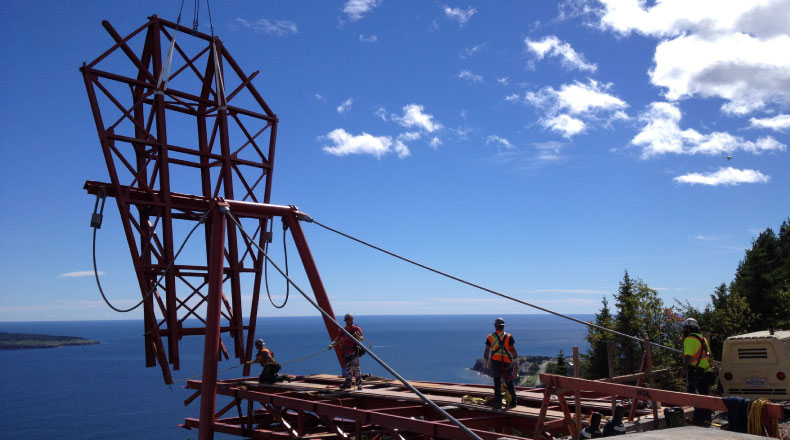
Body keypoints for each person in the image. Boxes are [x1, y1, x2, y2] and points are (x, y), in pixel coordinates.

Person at [682, 318, 713, 425]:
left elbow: (688, 357)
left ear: (689, 328)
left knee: (695, 395)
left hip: (695, 372)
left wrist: (684, 369)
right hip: (706, 370)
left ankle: (698, 420)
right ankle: (707, 418)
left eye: (685, 327)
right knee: (704, 395)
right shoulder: (703, 339)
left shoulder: (689, 339)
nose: (684, 330)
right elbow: (709, 355)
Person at [483, 317, 518, 409]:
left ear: (495, 326)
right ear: (503, 326)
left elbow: (487, 351)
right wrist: (516, 365)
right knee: (509, 382)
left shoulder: (490, 337)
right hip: (506, 362)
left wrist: (485, 362)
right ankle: (513, 402)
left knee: (497, 382)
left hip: (495, 362)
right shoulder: (509, 337)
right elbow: (513, 351)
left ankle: (498, 403)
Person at [329, 313, 364, 390]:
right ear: (346, 321)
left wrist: (358, 336)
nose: (350, 321)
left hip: (354, 351)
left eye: (350, 319)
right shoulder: (343, 330)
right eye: (348, 320)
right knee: (348, 369)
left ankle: (359, 384)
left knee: (356, 368)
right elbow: (337, 338)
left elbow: (361, 338)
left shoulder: (356, 329)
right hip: (346, 352)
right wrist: (332, 344)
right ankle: (348, 383)